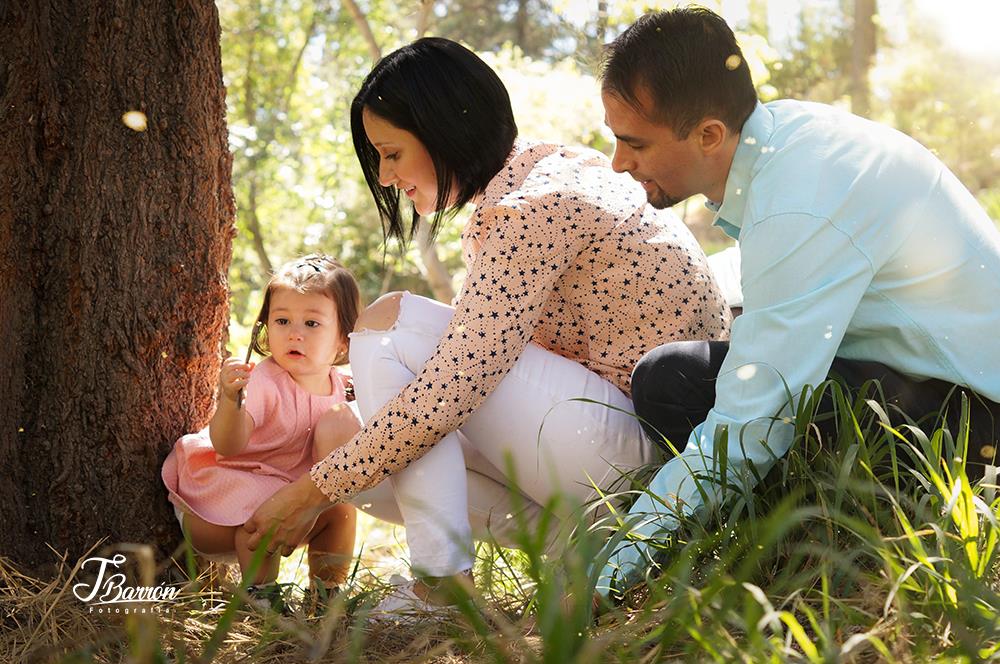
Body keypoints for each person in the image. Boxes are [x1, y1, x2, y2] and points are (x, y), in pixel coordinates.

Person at [241, 36, 730, 618]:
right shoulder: (541, 174)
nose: (387, 175)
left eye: (392, 152)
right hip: (605, 466)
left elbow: (457, 384)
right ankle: (581, 554)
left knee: (389, 325)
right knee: (359, 462)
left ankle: (440, 578)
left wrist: (306, 494)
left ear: (443, 129)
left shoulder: (535, 205)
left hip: (646, 459)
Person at [595, 7, 1000, 599]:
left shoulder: (801, 195)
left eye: (634, 143)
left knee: (676, 383)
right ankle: (789, 537)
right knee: (684, 374)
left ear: (708, 134)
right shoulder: (787, 145)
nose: (619, 163)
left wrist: (617, 564)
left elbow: (753, 419)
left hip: (975, 429)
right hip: (932, 386)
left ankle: (808, 563)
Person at [162, 254, 362, 611]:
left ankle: (327, 594)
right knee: (271, 501)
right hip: (218, 503)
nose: (294, 332)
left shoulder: (342, 386)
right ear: (266, 328)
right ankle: (262, 599)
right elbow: (228, 444)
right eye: (282, 320)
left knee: (340, 506)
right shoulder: (265, 381)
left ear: (343, 341)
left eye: (312, 323)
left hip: (288, 502)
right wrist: (229, 400)